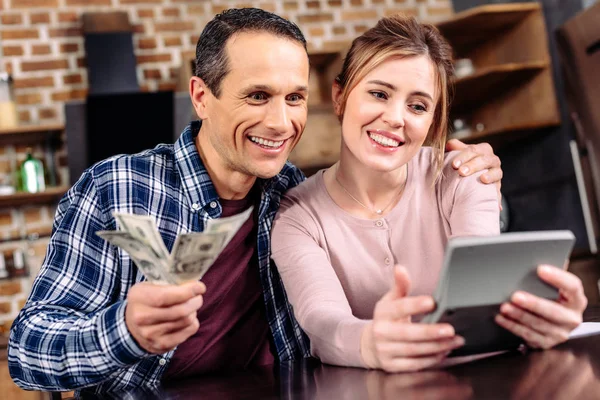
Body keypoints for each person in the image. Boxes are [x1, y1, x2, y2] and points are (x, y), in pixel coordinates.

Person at [8, 8, 503, 395]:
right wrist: (123, 331)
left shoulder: (287, 195)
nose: (280, 122)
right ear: (202, 97)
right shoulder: (117, 189)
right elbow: (26, 354)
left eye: (293, 98)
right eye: (257, 96)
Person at [271, 14, 587, 373]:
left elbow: (483, 296)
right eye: (379, 93)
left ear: (433, 120)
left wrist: (539, 317)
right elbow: (322, 322)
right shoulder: (297, 215)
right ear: (340, 97)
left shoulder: (463, 176)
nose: (395, 117)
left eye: (418, 106)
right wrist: (369, 343)